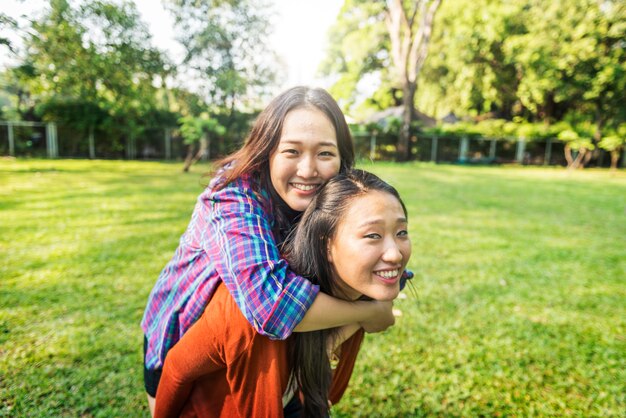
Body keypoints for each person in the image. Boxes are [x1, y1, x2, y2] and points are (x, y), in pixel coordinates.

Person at [141, 87, 401, 413]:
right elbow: (271, 303)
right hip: (182, 340)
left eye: (325, 154)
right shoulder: (232, 195)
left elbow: (374, 262)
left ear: (341, 158)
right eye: (291, 151)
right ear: (267, 152)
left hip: (271, 352)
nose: (308, 170)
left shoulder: (334, 198)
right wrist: (368, 313)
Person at [154, 169, 412, 417]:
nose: (395, 254)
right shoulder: (248, 314)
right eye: (372, 235)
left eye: (401, 232)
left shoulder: (360, 289)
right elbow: (177, 368)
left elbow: (317, 356)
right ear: (327, 246)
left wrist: (363, 316)